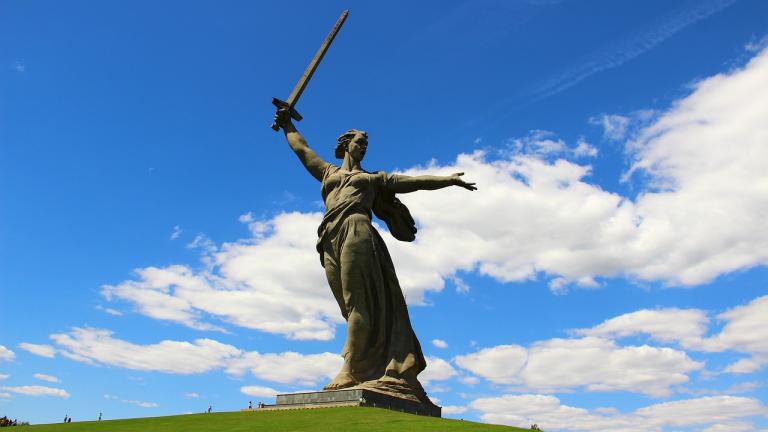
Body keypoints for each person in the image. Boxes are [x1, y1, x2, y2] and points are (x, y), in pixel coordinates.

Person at [274, 109, 476, 402]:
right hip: (328, 236)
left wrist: (448, 180)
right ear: (345, 145)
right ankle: (366, 361)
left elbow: (414, 182)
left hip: (357, 229)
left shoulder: (372, 179)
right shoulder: (329, 172)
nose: (363, 147)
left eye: (365, 144)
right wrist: (287, 123)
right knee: (348, 305)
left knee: (358, 301)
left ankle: (350, 370)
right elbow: (302, 149)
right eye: (359, 142)